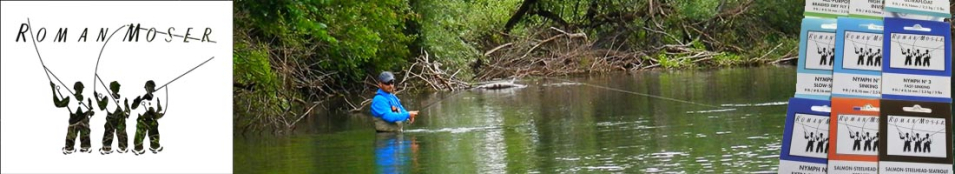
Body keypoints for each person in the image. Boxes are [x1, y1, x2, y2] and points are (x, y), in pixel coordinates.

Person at [52, 81, 94, 154]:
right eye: (81, 88)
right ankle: (85, 147)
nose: (82, 90)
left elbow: (58, 104)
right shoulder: (87, 99)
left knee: (71, 136)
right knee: (84, 136)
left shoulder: (69, 97)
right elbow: (91, 110)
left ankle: (69, 148)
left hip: (74, 121)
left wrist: (53, 90)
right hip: (84, 121)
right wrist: (90, 112)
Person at [96, 81, 131, 154]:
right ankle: (121, 147)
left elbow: (101, 107)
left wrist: (97, 98)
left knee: (114, 132)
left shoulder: (109, 97)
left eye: (118, 87)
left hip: (114, 119)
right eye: (117, 87)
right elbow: (102, 107)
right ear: (112, 88)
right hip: (116, 119)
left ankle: (109, 148)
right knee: (116, 133)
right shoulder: (108, 97)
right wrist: (127, 114)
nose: (118, 88)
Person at [132, 80, 164, 155]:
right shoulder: (141, 98)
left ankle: (155, 146)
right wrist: (137, 101)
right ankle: (138, 148)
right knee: (139, 134)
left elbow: (159, 109)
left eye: (152, 87)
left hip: (152, 120)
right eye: (148, 87)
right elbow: (133, 107)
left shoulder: (156, 98)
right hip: (142, 120)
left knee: (154, 134)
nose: (150, 89)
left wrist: (157, 115)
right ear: (145, 88)